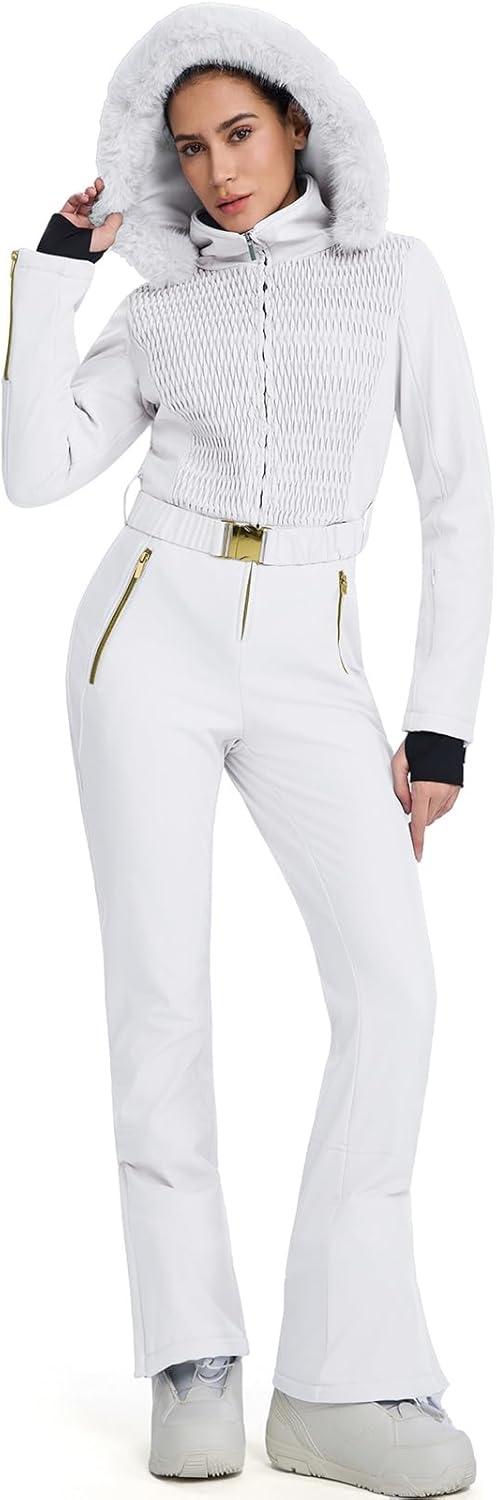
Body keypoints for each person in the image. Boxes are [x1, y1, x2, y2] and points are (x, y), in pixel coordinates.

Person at [2, 3, 492, 1492]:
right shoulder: (160, 307)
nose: (218, 170)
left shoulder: (395, 274)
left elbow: (456, 500)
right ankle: (192, 1357)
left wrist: (436, 723)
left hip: (314, 654)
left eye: (240, 133)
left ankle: (343, 1378)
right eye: (190, 147)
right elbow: (34, 471)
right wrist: (56, 272)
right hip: (144, 628)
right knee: (161, 997)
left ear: (298, 126)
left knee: (392, 991)